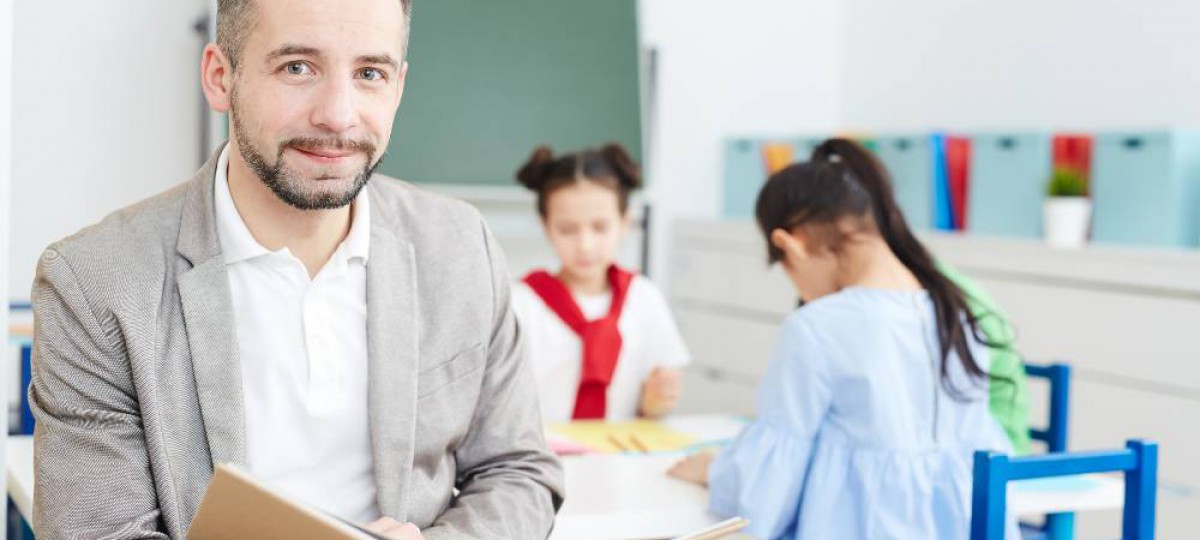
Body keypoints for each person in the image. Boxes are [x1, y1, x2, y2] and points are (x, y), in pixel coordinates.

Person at [29, 1, 561, 538]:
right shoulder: (94, 283)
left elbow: (517, 472)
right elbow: (98, 532)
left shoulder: (460, 247)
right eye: (297, 67)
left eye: (369, 73)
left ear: (397, 87)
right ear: (220, 78)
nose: (338, 114)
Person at [668, 138, 1017, 539]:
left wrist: (714, 470)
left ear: (790, 245)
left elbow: (770, 489)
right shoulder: (955, 312)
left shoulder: (818, 327)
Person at [511, 144, 690, 422]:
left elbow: (654, 411)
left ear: (624, 223)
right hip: (541, 458)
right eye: (567, 229)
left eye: (600, 227)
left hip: (619, 458)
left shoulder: (643, 297)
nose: (585, 245)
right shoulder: (520, 303)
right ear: (545, 227)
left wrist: (655, 403)